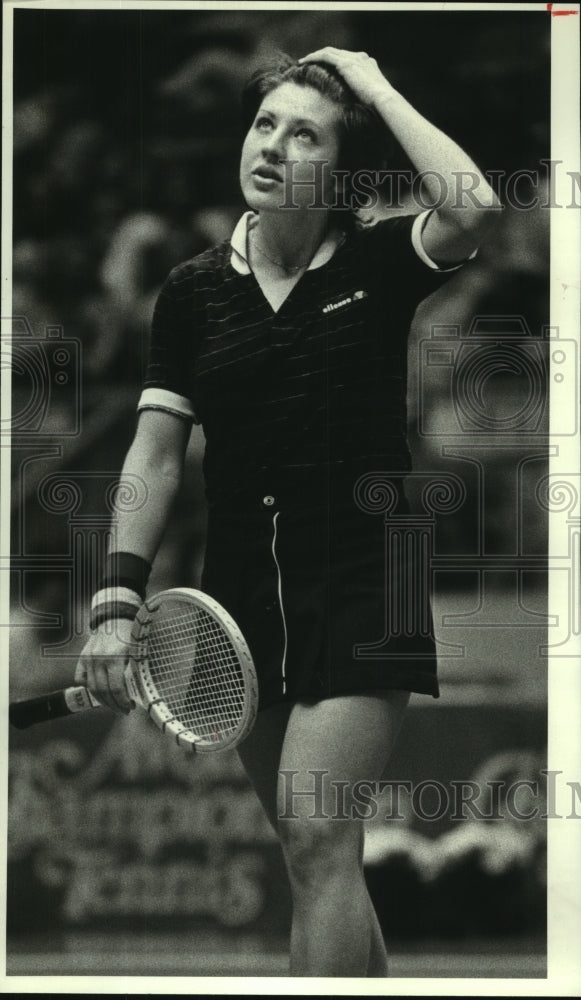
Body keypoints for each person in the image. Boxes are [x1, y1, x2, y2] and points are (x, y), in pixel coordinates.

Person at [76, 48, 500, 977]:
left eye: (304, 134)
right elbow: (154, 454)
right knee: (316, 857)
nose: (271, 145)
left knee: (316, 836)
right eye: (264, 124)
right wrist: (114, 603)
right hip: (238, 601)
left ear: (340, 172)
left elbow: (472, 207)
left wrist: (375, 86)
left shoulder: (379, 262)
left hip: (363, 582)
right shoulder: (192, 292)